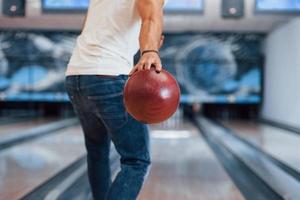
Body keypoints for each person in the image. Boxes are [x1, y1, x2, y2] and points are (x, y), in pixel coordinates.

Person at [65, 0, 165, 199]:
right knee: (137, 161)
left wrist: (148, 41)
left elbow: (95, 27)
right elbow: (150, 12)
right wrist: (150, 51)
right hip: (108, 75)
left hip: (76, 75)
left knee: (97, 153)